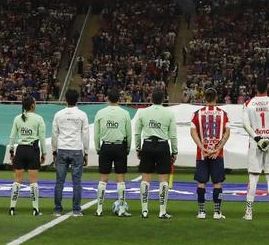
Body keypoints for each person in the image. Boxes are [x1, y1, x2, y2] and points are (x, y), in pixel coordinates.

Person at [241, 78, 269, 221]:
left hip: (254, 144)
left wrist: (257, 138)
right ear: (268, 88)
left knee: (253, 177)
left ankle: (248, 212)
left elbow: (245, 124)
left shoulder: (249, 103)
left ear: (255, 88)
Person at [133, 87, 177, 220]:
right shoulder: (169, 113)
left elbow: (137, 133)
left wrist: (138, 148)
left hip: (147, 145)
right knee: (163, 180)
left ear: (151, 99)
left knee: (145, 179)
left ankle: (144, 210)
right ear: (163, 99)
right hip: (163, 145)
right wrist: (174, 151)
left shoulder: (142, 112)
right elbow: (173, 135)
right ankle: (162, 212)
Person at [190, 87, 230, 220]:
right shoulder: (223, 114)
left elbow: (193, 132)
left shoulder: (197, 114)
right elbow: (227, 133)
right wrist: (218, 148)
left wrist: (202, 147)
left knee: (201, 182)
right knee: (217, 183)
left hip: (202, 154)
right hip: (216, 154)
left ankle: (201, 212)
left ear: (204, 98)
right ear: (216, 97)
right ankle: (217, 212)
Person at [94, 88, 132, 217]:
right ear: (119, 99)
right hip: (120, 146)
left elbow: (96, 133)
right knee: (120, 179)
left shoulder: (100, 112)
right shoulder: (125, 113)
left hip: (105, 147)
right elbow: (129, 133)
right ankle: (121, 208)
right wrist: (128, 148)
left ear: (107, 99)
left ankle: (99, 209)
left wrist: (97, 147)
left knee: (103, 178)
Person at [52, 88, 90, 217]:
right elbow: (85, 134)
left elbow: (54, 134)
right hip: (76, 149)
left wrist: (54, 150)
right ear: (77, 100)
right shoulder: (82, 115)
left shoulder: (59, 114)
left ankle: (57, 210)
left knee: (59, 182)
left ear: (65, 100)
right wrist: (86, 151)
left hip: (62, 148)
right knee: (77, 182)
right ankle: (76, 210)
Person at [7, 97, 46, 216]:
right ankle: (35, 209)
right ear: (33, 105)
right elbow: (42, 137)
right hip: (33, 150)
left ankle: (12, 208)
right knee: (33, 182)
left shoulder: (17, 118)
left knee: (17, 180)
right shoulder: (38, 118)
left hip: (21, 149)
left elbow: (12, 136)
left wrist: (12, 151)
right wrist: (44, 153)